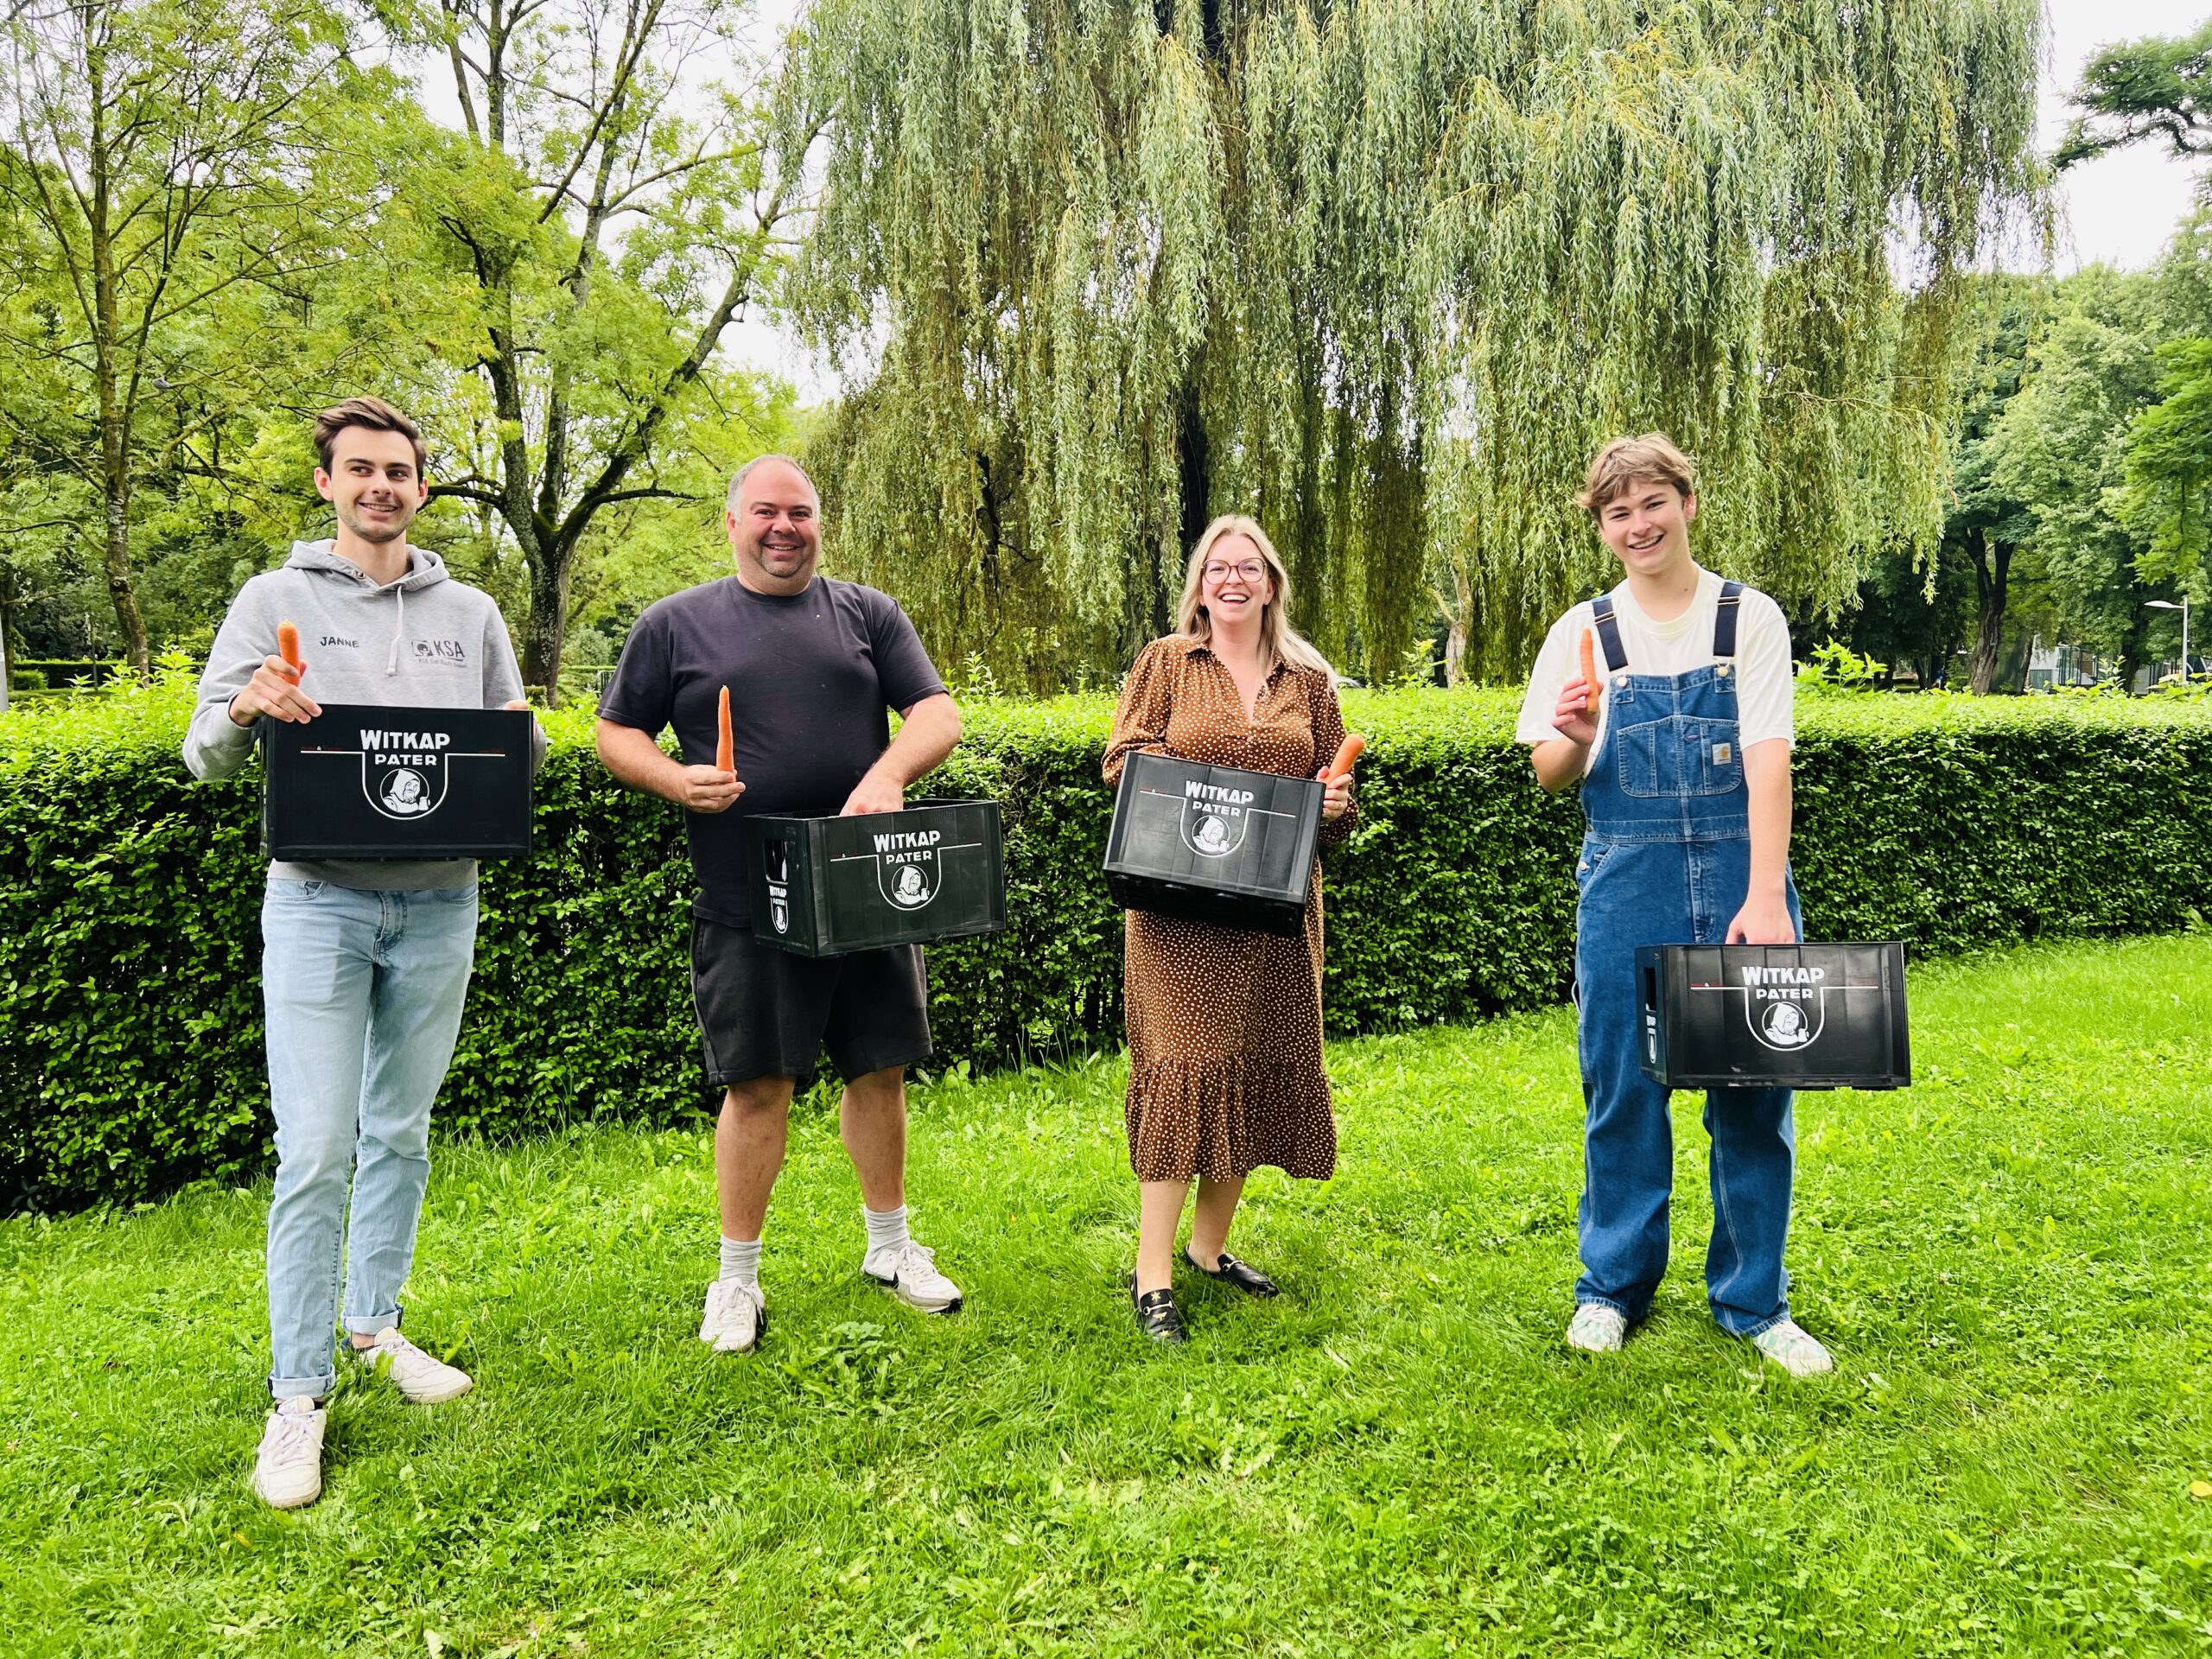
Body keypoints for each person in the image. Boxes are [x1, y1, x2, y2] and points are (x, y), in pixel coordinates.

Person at [184, 396, 546, 1510]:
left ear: (422, 488)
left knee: (399, 1130)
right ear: (327, 483)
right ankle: (297, 1399)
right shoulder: (273, 598)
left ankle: (373, 1326)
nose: (380, 487)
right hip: (319, 905)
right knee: (314, 1146)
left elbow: (508, 739)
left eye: (399, 471)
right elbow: (204, 755)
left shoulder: (472, 609)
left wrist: (520, 733)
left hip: (441, 906)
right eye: (359, 470)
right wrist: (249, 703)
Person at [594, 454, 965, 1357]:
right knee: (757, 1086)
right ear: (731, 523)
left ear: (818, 523)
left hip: (862, 887)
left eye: (800, 513)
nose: (783, 528)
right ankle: (736, 1279)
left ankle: (890, 1249)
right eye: (765, 512)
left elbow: (937, 715)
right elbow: (614, 731)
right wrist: (675, 781)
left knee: (879, 1070)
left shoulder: (866, 614)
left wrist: (886, 774)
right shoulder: (674, 623)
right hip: (746, 895)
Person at [1520, 433, 1832, 1377]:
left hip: (1744, 873)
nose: (1637, 524)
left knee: (1754, 1092)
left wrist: (1766, 897)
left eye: (1651, 502)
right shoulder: (1583, 630)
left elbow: (1770, 757)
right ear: (1603, 527)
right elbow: (1547, 773)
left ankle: (1752, 1301)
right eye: (1617, 512)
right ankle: (1610, 1289)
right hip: (1625, 879)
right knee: (1621, 1089)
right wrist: (1574, 737)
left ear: (1686, 502)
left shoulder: (1750, 620)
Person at [1103, 515, 1355, 1344]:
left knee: (1246, 1065)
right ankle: (1152, 1274)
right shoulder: (1168, 662)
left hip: (1276, 916)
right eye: (1219, 568)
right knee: (1185, 1066)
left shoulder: (1309, 681)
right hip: (1181, 913)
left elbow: (1329, 795)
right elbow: (1123, 762)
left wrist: (1336, 806)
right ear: (1200, 585)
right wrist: (1215, 791)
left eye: (1249, 568)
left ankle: (1210, 1251)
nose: (1234, 580)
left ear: (1272, 582)